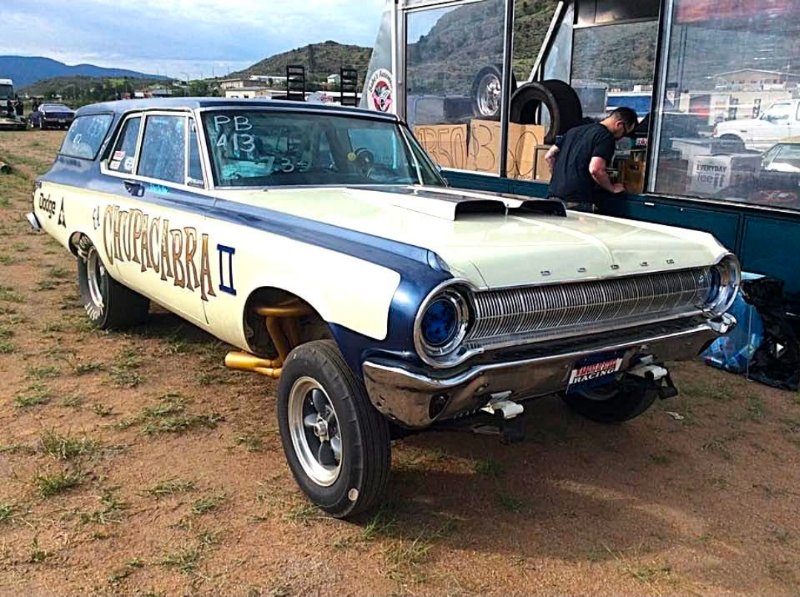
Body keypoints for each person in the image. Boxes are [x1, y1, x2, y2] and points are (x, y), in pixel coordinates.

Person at [544, 107, 638, 212]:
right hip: (577, 201)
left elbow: (549, 156)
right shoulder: (605, 137)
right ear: (619, 124)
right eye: (624, 133)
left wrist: (559, 175)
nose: (621, 138)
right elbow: (596, 169)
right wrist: (612, 187)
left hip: (553, 196)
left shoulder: (574, 131)